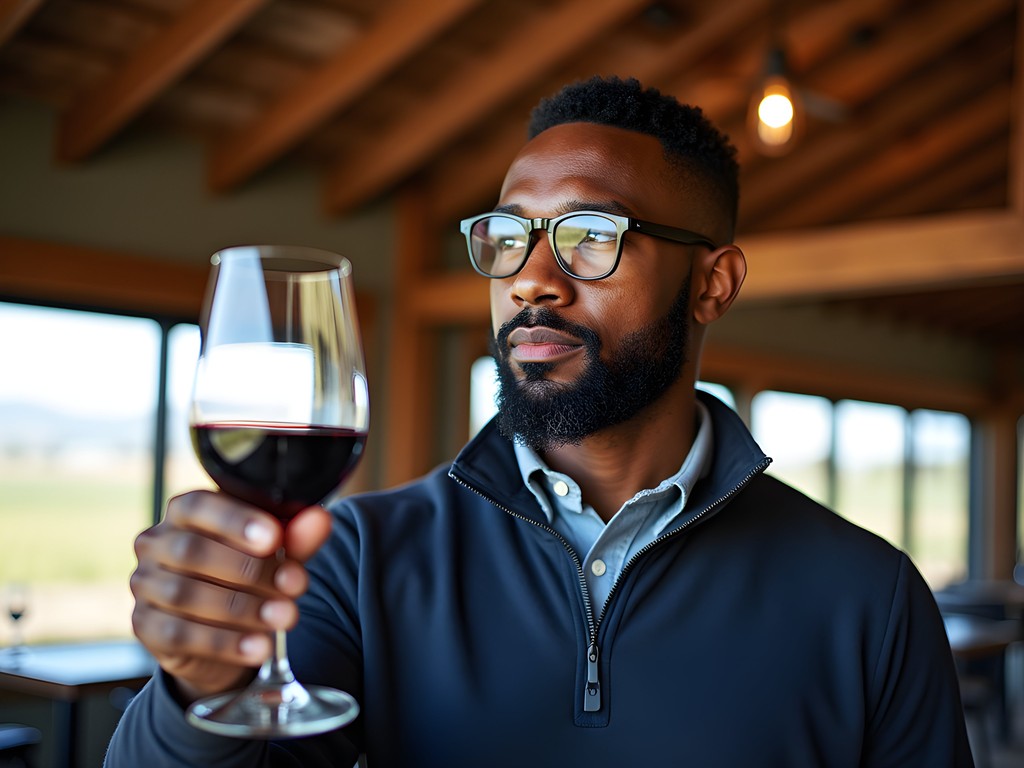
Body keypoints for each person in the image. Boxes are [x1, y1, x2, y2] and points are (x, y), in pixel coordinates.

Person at [106, 76, 973, 767]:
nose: (531, 280)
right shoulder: (356, 559)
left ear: (714, 284)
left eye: (591, 236)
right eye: (509, 237)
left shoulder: (873, 597)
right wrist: (197, 698)